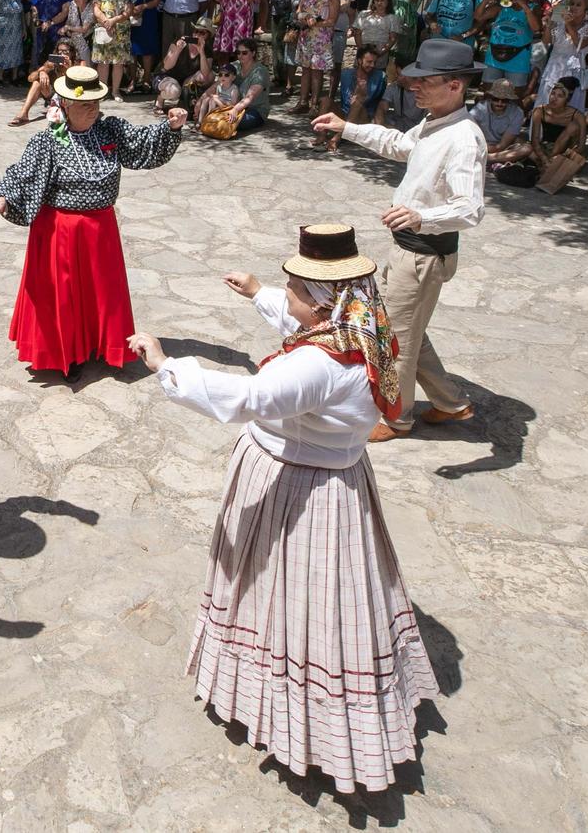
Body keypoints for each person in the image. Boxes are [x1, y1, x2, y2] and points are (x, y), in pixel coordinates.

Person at [126, 225, 438, 794]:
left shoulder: (316, 366)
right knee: (328, 596)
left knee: (285, 591)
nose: (290, 297)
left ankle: (300, 721)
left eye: (295, 289)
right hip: (340, 482)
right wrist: (259, 292)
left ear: (322, 300)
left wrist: (166, 366)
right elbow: (305, 326)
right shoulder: (366, 327)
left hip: (296, 486)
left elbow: (251, 398)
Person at [313, 38, 486, 441]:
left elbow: (470, 207)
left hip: (424, 255)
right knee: (401, 328)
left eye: (427, 81)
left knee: (399, 342)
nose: (415, 87)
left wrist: (422, 216)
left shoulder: (463, 137)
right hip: (409, 249)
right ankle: (451, 402)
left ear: (455, 86)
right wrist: (347, 127)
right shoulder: (435, 124)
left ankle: (397, 417)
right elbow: (398, 144)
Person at [0, 66, 187, 379]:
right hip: (61, 233)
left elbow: (143, 145)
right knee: (65, 295)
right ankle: (68, 356)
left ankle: (101, 345)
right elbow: (22, 173)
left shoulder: (111, 131)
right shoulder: (48, 141)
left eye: (95, 103)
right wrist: (3, 196)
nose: (93, 110)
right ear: (65, 105)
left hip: (101, 230)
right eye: (85, 105)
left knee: (102, 293)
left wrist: (170, 128)